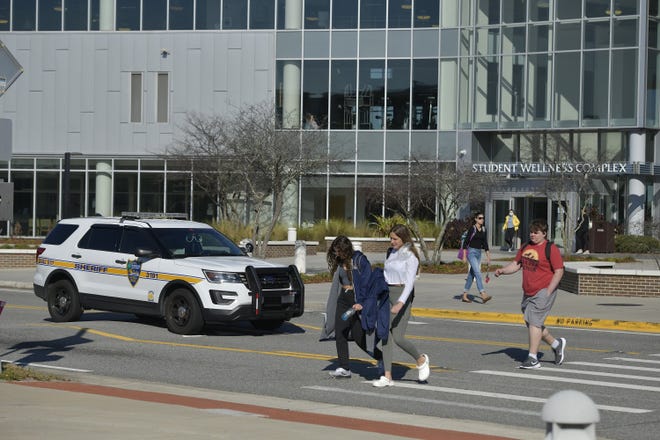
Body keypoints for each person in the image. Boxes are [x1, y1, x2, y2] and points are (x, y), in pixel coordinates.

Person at [494, 218, 567, 369]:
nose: (532, 235)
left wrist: (549, 290)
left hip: (544, 290)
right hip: (528, 291)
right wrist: (502, 271)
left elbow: (559, 271)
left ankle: (533, 358)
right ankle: (556, 344)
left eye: (536, 232)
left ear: (544, 234)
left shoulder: (551, 248)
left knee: (534, 321)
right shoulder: (526, 246)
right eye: (531, 232)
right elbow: (516, 264)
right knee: (534, 323)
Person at [372, 224, 430, 387]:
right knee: (385, 333)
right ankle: (387, 376)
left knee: (398, 338)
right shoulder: (391, 252)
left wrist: (401, 302)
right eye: (390, 238)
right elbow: (386, 273)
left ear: (403, 238)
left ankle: (421, 359)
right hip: (387, 294)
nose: (392, 241)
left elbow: (410, 283)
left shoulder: (410, 256)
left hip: (402, 295)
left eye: (395, 239)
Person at [324, 235, 383, 378]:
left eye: (338, 251)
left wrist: (362, 303)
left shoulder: (359, 260)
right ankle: (344, 368)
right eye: (335, 251)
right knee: (340, 332)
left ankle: (381, 358)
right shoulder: (340, 262)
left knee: (358, 337)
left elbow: (367, 282)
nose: (336, 254)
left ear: (345, 249)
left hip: (355, 300)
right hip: (343, 300)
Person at [461, 212, 492, 304]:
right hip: (471, 252)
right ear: (475, 219)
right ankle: (483, 294)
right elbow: (466, 242)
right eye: (480, 218)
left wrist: (488, 257)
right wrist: (464, 255)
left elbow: (485, 244)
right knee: (478, 272)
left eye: (483, 218)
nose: (482, 219)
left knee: (471, 275)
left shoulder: (483, 229)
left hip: (479, 253)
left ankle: (464, 295)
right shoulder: (472, 229)